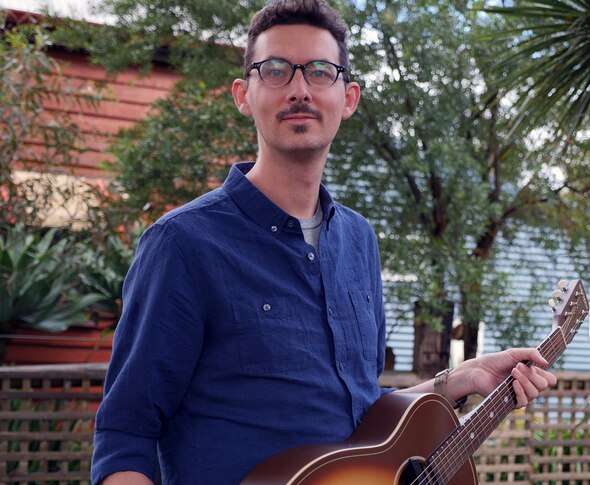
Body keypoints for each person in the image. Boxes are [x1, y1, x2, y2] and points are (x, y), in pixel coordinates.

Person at [90, 1, 557, 483]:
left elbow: (361, 418)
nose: (298, 90)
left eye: (319, 71)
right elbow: (125, 435)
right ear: (243, 95)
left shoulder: (359, 241)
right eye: (274, 70)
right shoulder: (182, 245)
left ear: (348, 98)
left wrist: (462, 379)